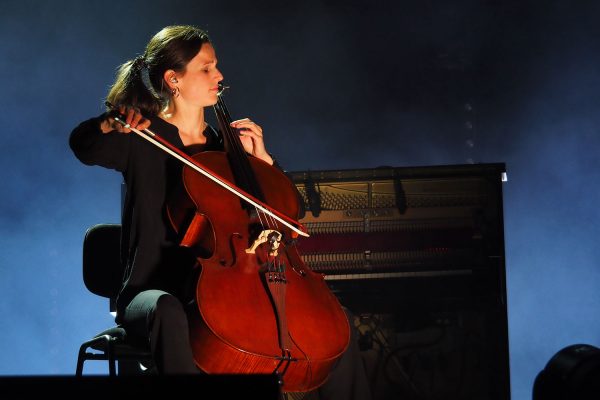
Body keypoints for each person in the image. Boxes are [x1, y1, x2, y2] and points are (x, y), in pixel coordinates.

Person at [70, 25, 371, 400]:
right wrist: (108, 123)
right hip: (153, 291)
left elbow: (279, 220)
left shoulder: (225, 149)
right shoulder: (142, 137)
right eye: (207, 68)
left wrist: (262, 163)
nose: (220, 75)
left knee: (333, 324)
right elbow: (84, 147)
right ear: (173, 79)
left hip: (226, 289)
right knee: (168, 310)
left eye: (217, 67)